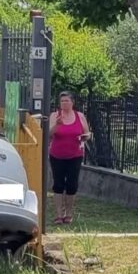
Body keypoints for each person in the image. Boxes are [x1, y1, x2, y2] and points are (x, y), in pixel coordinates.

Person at [49, 91, 91, 226]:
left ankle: (69, 213)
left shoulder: (80, 116)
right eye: (62, 101)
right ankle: (58, 215)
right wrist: (57, 125)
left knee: (72, 185)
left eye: (67, 101)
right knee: (58, 184)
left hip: (75, 155)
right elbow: (49, 133)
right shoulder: (55, 116)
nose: (64, 103)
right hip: (57, 155)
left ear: (72, 102)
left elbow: (87, 133)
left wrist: (85, 137)